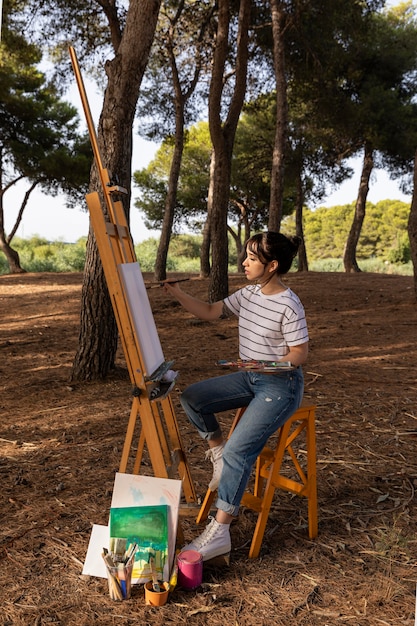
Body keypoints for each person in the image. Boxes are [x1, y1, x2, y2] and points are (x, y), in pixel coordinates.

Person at [163, 231, 309, 561]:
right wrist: (177, 293)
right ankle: (218, 454)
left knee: (240, 452)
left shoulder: (289, 303)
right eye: (246, 256)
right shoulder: (248, 294)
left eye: (252, 258)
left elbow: (300, 353)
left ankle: (220, 531)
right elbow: (213, 311)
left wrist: (270, 364)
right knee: (193, 398)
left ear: (272, 266)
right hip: (250, 376)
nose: (244, 262)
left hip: (280, 386)